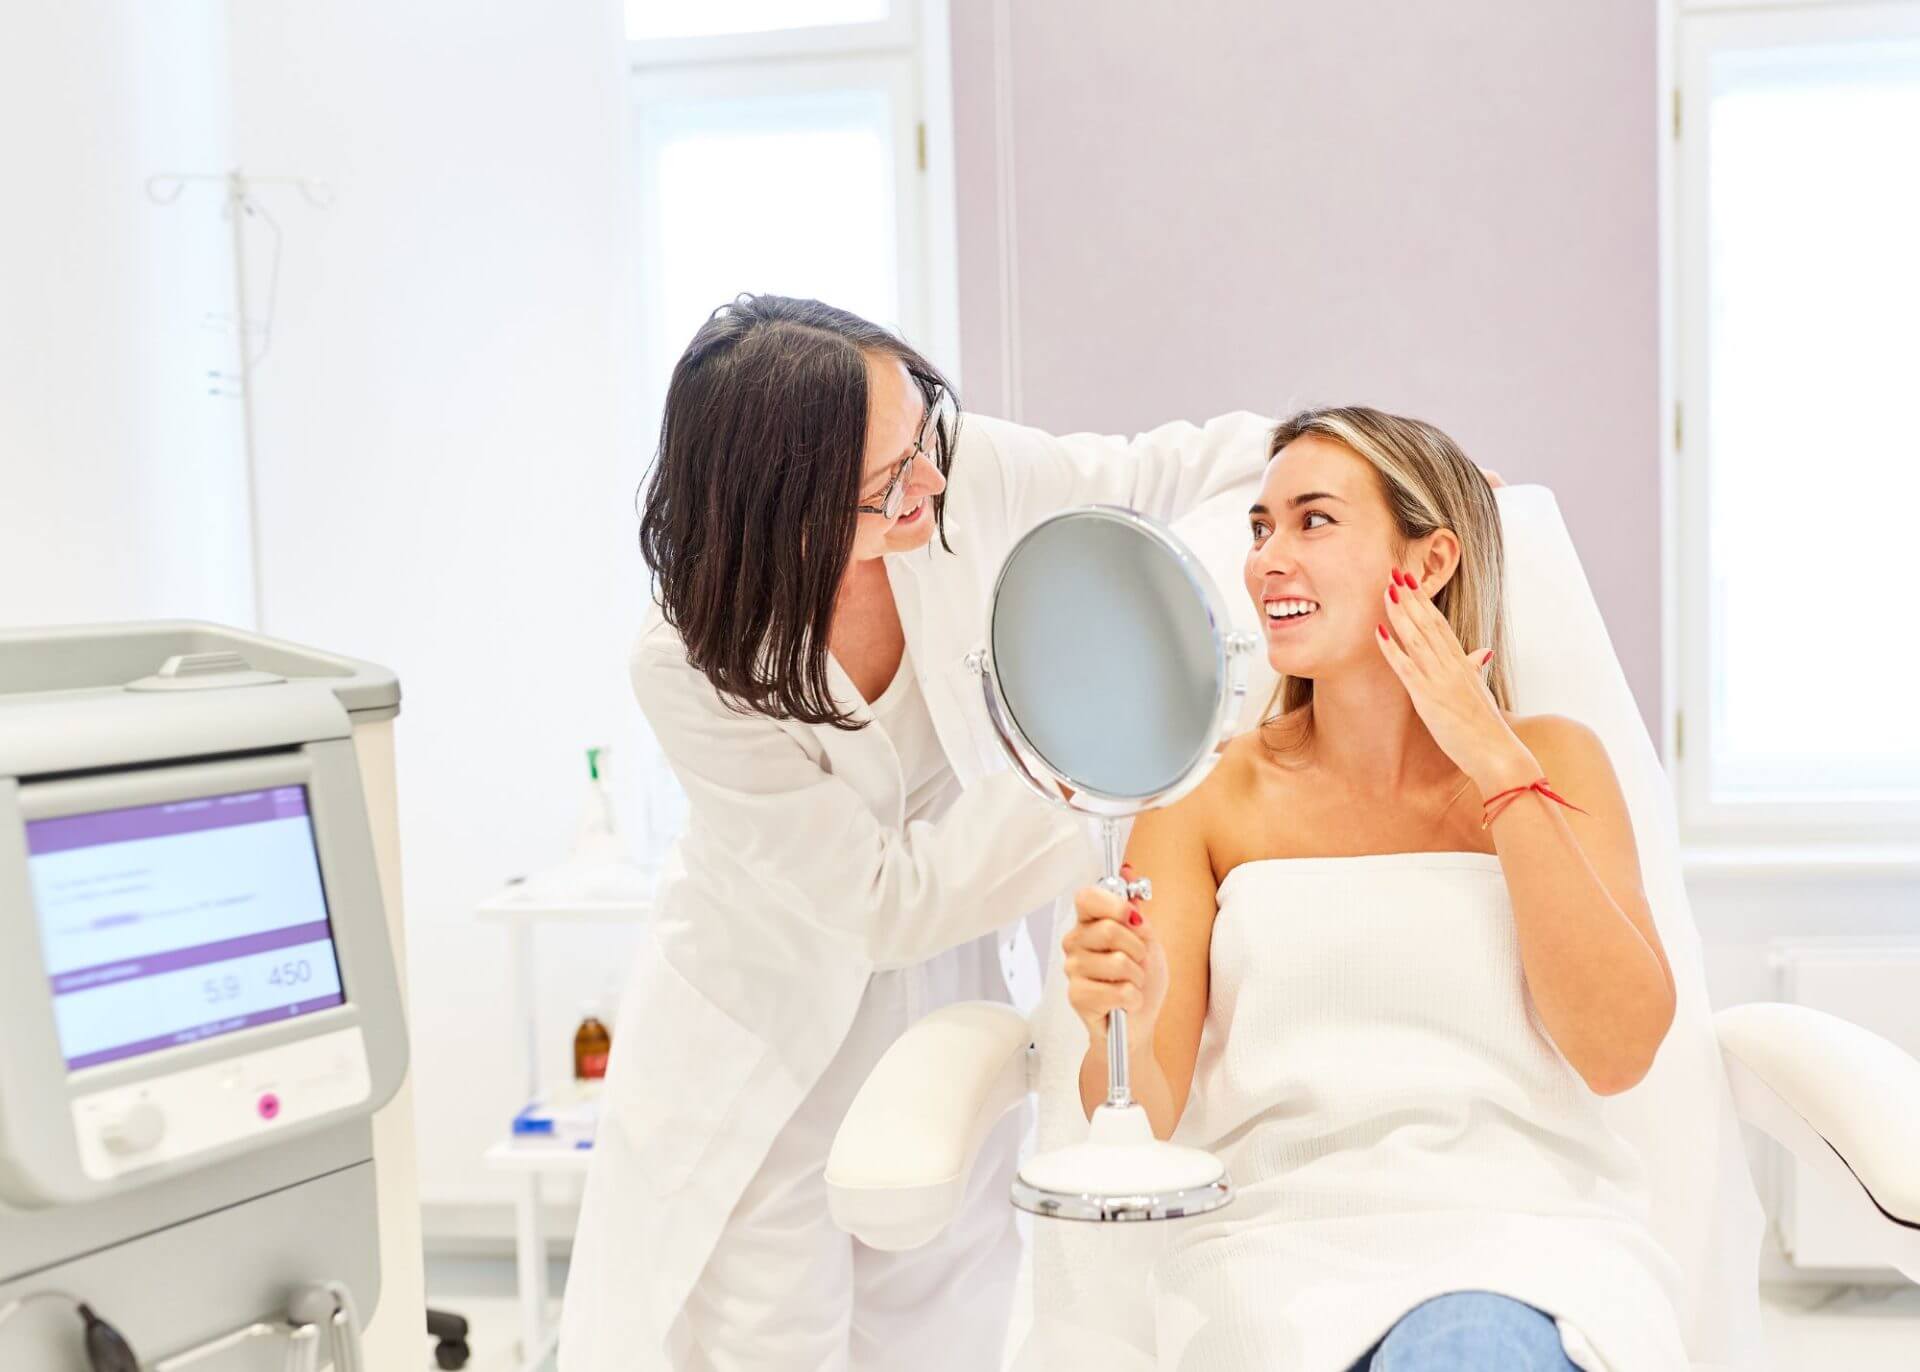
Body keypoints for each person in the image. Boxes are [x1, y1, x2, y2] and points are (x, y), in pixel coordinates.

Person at [558, 294, 1273, 1372]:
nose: (930, 484)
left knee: (947, 1323)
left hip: (942, 992)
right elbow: (881, 904)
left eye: (923, 440)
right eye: (887, 484)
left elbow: (1170, 471)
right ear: (786, 516)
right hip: (764, 1022)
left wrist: (1363, 465)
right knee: (768, 1337)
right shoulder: (686, 663)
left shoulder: (951, 470)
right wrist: (1094, 756)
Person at [1062, 406, 1689, 1370]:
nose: (1267, 561)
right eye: (1261, 528)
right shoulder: (1205, 796)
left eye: (1313, 520)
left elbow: (1618, 1052)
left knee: (1470, 1346)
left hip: (1527, 1243)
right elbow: (1141, 1116)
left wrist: (1495, 765)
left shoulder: (1555, 762)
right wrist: (1129, 1025)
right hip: (1274, 1253)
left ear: (1430, 563)